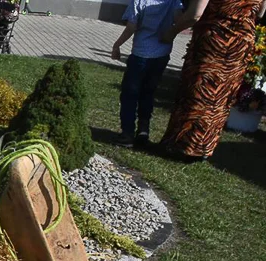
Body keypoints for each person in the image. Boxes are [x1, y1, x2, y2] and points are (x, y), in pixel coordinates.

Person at [160, 0, 266, 160]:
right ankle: (204, 149)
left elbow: (194, 15)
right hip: (240, 45)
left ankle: (183, 146)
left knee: (199, 92)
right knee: (220, 98)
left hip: (215, 41)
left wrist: (172, 32)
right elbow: (260, 13)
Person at [111, 0, 184, 147]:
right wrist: (171, 32)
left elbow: (131, 27)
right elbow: (179, 20)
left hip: (141, 53)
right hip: (162, 54)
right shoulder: (173, 1)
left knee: (130, 93)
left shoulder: (139, 1)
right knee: (148, 92)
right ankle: (143, 130)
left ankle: (127, 133)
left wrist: (117, 44)